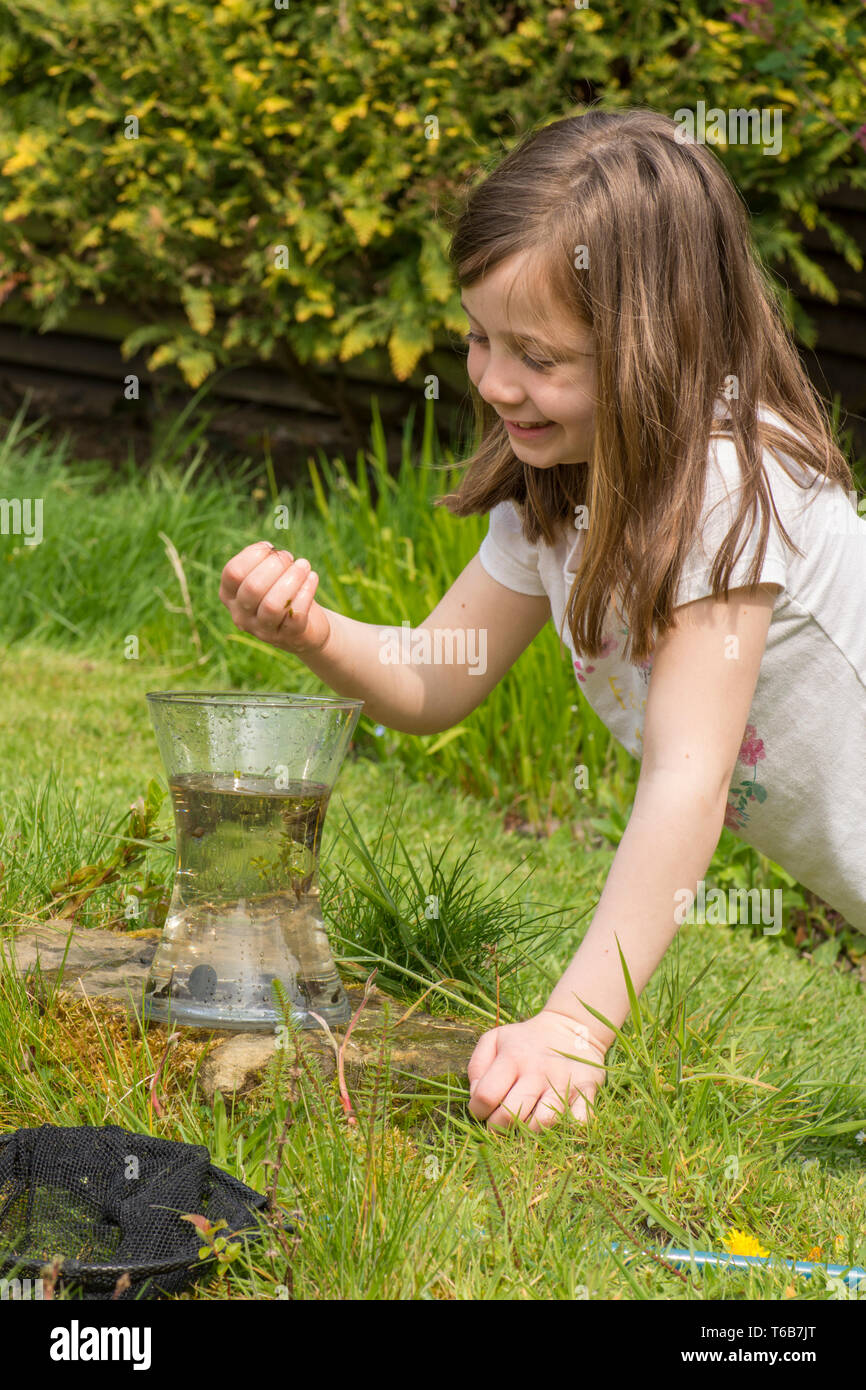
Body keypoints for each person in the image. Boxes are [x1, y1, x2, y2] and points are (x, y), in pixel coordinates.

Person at [219, 107, 866, 1135]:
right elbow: (436, 677)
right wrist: (309, 629)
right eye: (478, 338)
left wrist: (573, 1025)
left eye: (538, 355)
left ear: (660, 345)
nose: (493, 380)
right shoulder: (559, 486)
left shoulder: (730, 486)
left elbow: (687, 778)